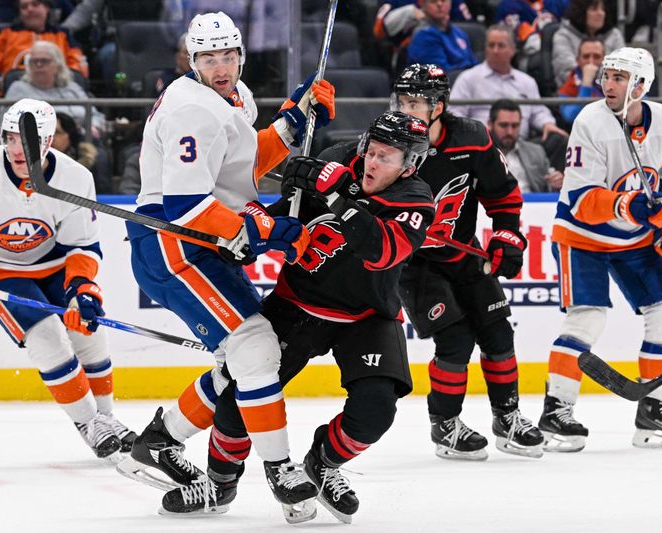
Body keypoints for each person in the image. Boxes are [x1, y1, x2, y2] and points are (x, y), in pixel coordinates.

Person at [125, 111, 435, 523]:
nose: (372, 163)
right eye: (371, 151)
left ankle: (322, 464)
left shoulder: (415, 197)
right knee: (238, 400)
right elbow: (282, 219)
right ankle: (219, 483)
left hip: (367, 315)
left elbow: (382, 252)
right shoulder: (334, 159)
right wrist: (251, 236)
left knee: (377, 410)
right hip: (298, 302)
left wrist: (340, 196)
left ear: (408, 165)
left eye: (386, 158)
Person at [121, 11, 336, 522]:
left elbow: (241, 163)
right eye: (208, 58)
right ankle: (282, 470)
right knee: (255, 348)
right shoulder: (191, 110)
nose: (220, 66)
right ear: (192, 61)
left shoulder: (234, 98)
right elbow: (187, 207)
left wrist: (292, 122)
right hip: (172, 243)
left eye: (228, 55)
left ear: (241, 55)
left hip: (204, 239)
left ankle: (160, 440)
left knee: (239, 359)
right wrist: (262, 228)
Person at [0, 98, 135, 460]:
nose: (19, 150)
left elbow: (82, 244)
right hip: (0, 270)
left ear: (51, 142)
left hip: (54, 266)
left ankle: (106, 421)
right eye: (12, 138)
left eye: (31, 140)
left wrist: (81, 288)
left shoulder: (75, 178)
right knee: (48, 339)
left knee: (90, 334)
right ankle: (87, 423)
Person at [539, 48, 662, 452]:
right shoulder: (589, 122)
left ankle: (653, 411)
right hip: (582, 237)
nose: (608, 84)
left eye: (619, 78)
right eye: (606, 76)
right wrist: (626, 204)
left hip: (636, 239)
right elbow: (580, 199)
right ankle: (557, 410)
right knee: (587, 318)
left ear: (642, 85)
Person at [392, 64, 544, 460]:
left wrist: (508, 236)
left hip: (462, 252)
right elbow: (363, 189)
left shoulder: (472, 138)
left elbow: (502, 195)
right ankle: (445, 424)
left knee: (498, 333)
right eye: (403, 101)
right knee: (455, 338)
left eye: (416, 103)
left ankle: (507, 417)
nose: (407, 111)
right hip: (414, 263)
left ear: (439, 106)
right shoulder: (388, 140)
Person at [449, 24, 569, 170]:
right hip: (483, 143)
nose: (495, 50)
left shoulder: (526, 81)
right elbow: (454, 115)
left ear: (513, 49)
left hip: (522, 144)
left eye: (501, 45)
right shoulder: (469, 78)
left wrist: (547, 124)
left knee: (558, 139)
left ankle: (551, 186)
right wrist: (478, 131)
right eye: (491, 45)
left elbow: (538, 112)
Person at [0, 0, 88, 96]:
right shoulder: (3, 34)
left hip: (58, 93)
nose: (30, 9)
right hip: (15, 94)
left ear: (47, 7)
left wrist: (56, 79)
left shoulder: (63, 35)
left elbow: (78, 67)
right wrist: (2, 81)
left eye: (35, 4)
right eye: (24, 7)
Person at [1, 40, 105, 138]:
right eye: (34, 61)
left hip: (78, 141)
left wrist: (94, 127)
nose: (38, 65)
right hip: (35, 144)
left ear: (58, 66)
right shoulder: (18, 88)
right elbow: (5, 122)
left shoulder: (72, 87)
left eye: (44, 61)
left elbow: (95, 115)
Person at [489, 99, 563, 192]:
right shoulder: (478, 155)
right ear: (490, 124)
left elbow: (547, 188)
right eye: (504, 125)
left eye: (515, 126)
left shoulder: (536, 152)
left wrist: (555, 183)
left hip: (532, 204)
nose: (509, 132)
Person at [552, 0, 624, 87]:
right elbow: (566, 72)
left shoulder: (615, 35)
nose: (601, 13)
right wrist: (589, 79)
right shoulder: (563, 36)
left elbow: (622, 69)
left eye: (603, 9)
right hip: (572, 95)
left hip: (610, 94)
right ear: (580, 11)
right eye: (594, 9)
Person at [405, 0, 479, 74]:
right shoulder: (423, 36)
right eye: (433, 1)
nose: (439, 4)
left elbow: (474, 63)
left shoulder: (459, 33)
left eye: (443, 0)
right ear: (423, 4)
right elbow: (442, 74)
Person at [51, 112, 111, 194]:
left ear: (70, 135)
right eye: (48, 133)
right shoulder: (34, 161)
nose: (51, 138)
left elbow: (103, 195)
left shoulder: (91, 159)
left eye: (57, 133)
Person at [557, 37, 605, 126]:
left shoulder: (612, 81)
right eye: (586, 57)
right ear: (578, 60)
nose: (591, 62)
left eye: (597, 57)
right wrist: (586, 84)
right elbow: (570, 117)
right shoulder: (569, 85)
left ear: (603, 60)